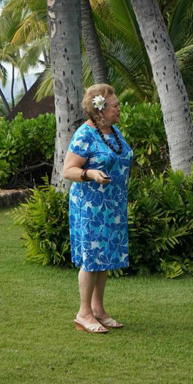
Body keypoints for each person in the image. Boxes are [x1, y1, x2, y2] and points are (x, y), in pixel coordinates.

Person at [63, 84, 133, 334]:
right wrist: (90, 173)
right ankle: (83, 313)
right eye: (115, 106)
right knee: (92, 259)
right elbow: (68, 170)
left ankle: (99, 310)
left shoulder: (114, 132)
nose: (119, 109)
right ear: (100, 109)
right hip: (91, 206)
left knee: (104, 259)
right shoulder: (85, 134)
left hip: (112, 205)